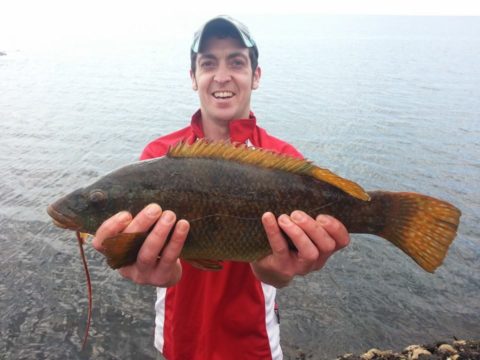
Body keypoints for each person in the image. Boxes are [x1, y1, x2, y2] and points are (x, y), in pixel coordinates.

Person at [92, 15, 350, 360]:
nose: (222, 75)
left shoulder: (285, 160)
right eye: (208, 63)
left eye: (237, 62)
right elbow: (166, 267)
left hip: (254, 344)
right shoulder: (158, 158)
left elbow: (277, 270)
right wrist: (151, 268)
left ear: (256, 76)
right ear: (193, 77)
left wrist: (282, 270)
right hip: (178, 343)